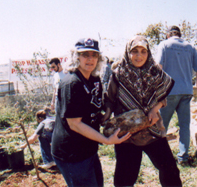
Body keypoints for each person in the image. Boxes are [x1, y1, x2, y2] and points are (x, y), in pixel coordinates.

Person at [103, 35, 182, 187]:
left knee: (170, 169)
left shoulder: (154, 72)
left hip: (152, 130)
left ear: (148, 53)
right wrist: (106, 116)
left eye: (143, 51)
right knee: (125, 178)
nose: (139, 56)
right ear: (128, 52)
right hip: (127, 135)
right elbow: (110, 100)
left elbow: (162, 96)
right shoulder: (118, 74)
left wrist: (155, 109)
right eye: (134, 51)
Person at [51, 38, 131, 187]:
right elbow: (75, 124)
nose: (90, 59)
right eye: (85, 55)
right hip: (72, 153)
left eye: (94, 55)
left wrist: (105, 114)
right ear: (76, 57)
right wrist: (106, 140)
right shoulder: (72, 83)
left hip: (88, 148)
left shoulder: (94, 80)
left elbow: (91, 110)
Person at [156, 25, 197, 165]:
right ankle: (183, 157)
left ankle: (160, 157)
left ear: (168, 35)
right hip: (186, 92)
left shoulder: (164, 44)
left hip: (169, 92)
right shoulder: (190, 47)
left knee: (160, 125)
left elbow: (158, 67)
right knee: (184, 126)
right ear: (180, 35)